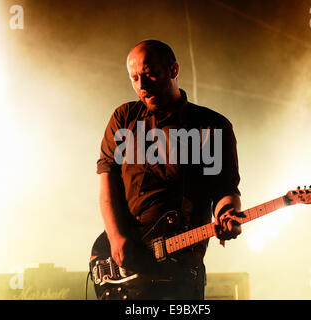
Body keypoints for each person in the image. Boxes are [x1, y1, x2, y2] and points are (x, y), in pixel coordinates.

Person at [96, 39, 242, 299]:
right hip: (128, 266)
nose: (141, 85)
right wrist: (116, 238)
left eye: (149, 73)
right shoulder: (124, 118)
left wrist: (229, 213)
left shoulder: (211, 126)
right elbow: (107, 186)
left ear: (173, 70)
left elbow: (224, 190)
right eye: (134, 78)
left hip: (183, 268)